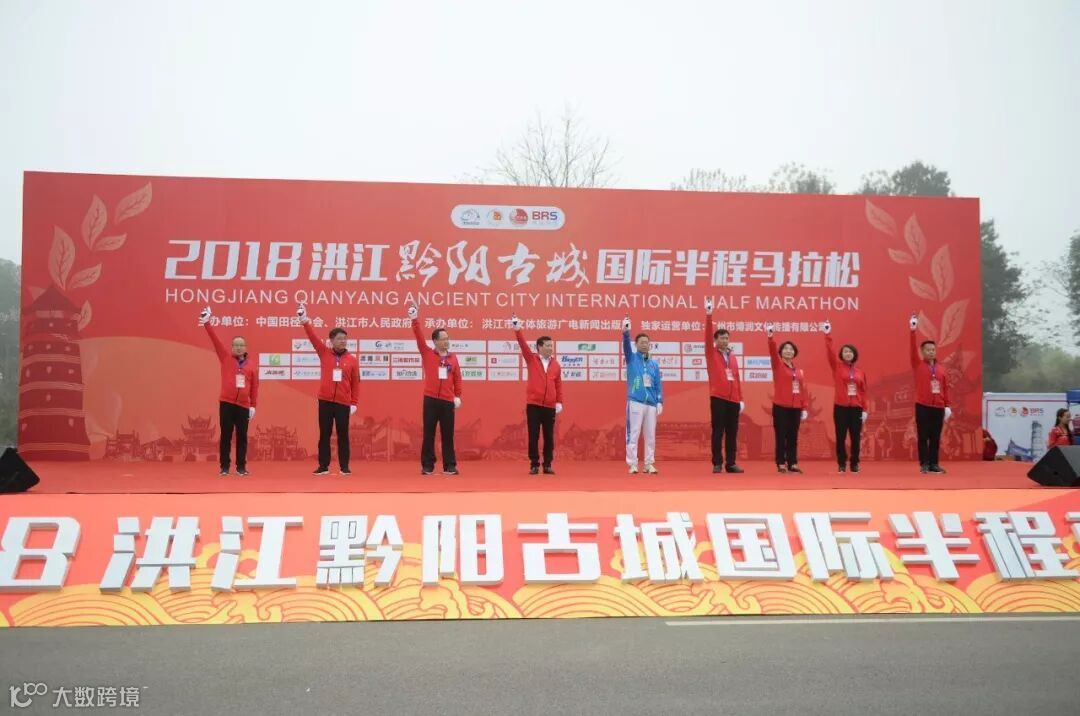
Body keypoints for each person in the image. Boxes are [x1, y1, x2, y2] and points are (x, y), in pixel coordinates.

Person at [297, 304, 359, 476]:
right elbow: (312, 337)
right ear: (331, 340)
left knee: (343, 435)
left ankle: (344, 467)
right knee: (324, 434)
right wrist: (304, 320)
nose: (343, 341)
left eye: (345, 339)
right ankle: (323, 466)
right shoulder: (323, 352)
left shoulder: (352, 360)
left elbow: (356, 383)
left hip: (343, 403)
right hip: (325, 401)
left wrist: (354, 402)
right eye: (339, 338)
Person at [199, 307, 258, 477]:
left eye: (241, 345)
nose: (238, 348)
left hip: (243, 406)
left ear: (245, 348)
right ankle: (224, 466)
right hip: (226, 403)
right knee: (225, 436)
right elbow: (215, 340)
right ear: (232, 347)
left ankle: (241, 467)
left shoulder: (251, 365)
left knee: (242, 437)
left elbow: (255, 387)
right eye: (236, 345)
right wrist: (207, 323)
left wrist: (253, 406)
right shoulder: (225, 358)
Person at [409, 302, 462, 475]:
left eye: (448, 339)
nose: (446, 341)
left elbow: (457, 378)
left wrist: (458, 396)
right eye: (443, 339)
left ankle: (450, 465)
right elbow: (418, 336)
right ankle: (427, 465)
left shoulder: (453, 358)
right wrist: (414, 318)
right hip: (430, 400)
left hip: (447, 401)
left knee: (448, 435)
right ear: (435, 341)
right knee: (429, 434)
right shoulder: (427, 353)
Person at [512, 314, 563, 475]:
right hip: (534, 405)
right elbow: (522, 345)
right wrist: (517, 329)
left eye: (551, 345)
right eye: (547, 345)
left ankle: (547, 464)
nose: (550, 348)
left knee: (549, 437)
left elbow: (558, 385)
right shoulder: (532, 359)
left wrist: (559, 401)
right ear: (539, 347)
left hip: (549, 406)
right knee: (533, 435)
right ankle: (534, 464)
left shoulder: (556, 365)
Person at [704, 299, 744, 474]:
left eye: (727, 338)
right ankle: (717, 462)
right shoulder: (711, 353)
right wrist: (709, 315)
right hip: (718, 398)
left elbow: (737, 378)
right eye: (722, 338)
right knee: (718, 431)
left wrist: (741, 399)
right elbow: (707, 335)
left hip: (733, 400)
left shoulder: (732, 356)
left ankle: (731, 463)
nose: (725, 340)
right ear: (715, 340)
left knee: (732, 432)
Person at [823, 320, 868, 473]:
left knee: (856, 437)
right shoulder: (837, 367)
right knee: (840, 436)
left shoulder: (860, 372)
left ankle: (855, 463)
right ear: (841, 355)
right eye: (845, 351)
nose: (847, 353)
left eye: (850, 352)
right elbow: (830, 352)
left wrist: (865, 410)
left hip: (856, 409)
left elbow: (863, 392)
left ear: (854, 355)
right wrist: (827, 334)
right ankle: (841, 463)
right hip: (840, 408)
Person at [909, 313, 951, 474]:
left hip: (938, 407)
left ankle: (934, 464)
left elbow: (945, 388)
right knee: (923, 436)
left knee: (935, 437)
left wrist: (947, 406)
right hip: (922, 406)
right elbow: (912, 349)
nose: (931, 352)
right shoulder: (917, 364)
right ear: (922, 351)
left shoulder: (941, 369)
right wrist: (912, 331)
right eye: (928, 350)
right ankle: (924, 464)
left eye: (933, 349)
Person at [622, 317, 663, 474]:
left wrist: (659, 401)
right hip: (636, 402)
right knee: (633, 433)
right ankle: (633, 464)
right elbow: (626, 346)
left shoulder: (654, 364)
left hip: (651, 404)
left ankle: (649, 463)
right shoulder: (631, 358)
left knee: (650, 435)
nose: (645, 344)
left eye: (647, 342)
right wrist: (626, 332)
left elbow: (658, 384)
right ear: (636, 344)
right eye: (642, 342)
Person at [766, 323, 808, 473]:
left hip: (795, 408)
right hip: (781, 407)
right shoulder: (778, 365)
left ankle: (793, 463)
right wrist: (770, 337)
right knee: (781, 436)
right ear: (781, 352)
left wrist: (804, 407)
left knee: (793, 436)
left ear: (794, 352)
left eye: (791, 349)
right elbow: (772, 352)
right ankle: (781, 463)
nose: (788, 351)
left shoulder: (798, 371)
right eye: (785, 349)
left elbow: (802, 390)